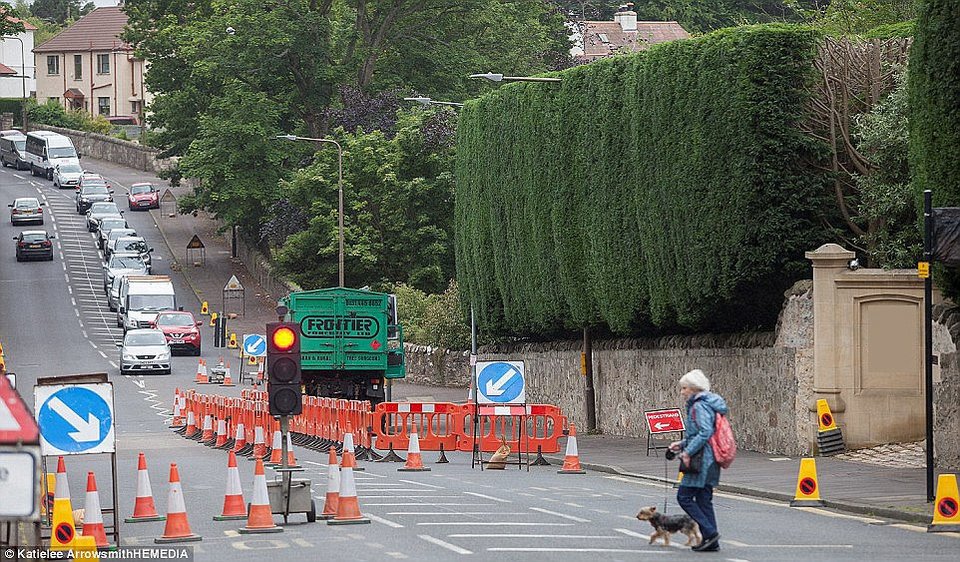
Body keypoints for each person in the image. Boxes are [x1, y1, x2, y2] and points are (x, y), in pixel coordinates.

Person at [669, 368, 728, 552]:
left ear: (694, 389)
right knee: (703, 499)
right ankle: (712, 542)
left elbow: (704, 432)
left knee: (684, 496)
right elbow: (701, 433)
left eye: (684, 388)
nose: (682, 392)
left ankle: (710, 532)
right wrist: (682, 443)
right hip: (711, 458)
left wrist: (687, 452)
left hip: (701, 459)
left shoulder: (699, 406)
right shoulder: (709, 404)